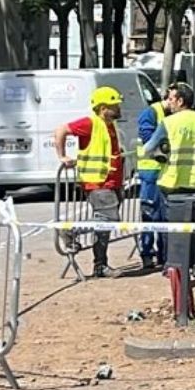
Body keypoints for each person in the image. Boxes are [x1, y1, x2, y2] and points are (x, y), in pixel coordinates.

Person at [138, 81, 195, 266]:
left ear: (181, 101)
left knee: (169, 226)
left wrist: (162, 152)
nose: (168, 102)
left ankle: (171, 264)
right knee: (191, 225)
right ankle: (192, 263)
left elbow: (148, 148)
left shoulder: (169, 122)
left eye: (172, 99)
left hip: (170, 182)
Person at [52, 87, 128, 278]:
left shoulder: (109, 125)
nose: (118, 108)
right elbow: (61, 130)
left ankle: (100, 266)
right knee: (109, 221)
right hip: (98, 183)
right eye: (114, 105)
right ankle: (71, 230)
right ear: (103, 108)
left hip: (110, 183)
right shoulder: (90, 123)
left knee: (105, 227)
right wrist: (62, 156)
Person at [133, 85, 172, 270]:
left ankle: (164, 254)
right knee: (150, 213)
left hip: (165, 171)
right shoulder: (151, 113)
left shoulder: (173, 115)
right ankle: (147, 253)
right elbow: (149, 140)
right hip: (151, 171)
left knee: (164, 216)